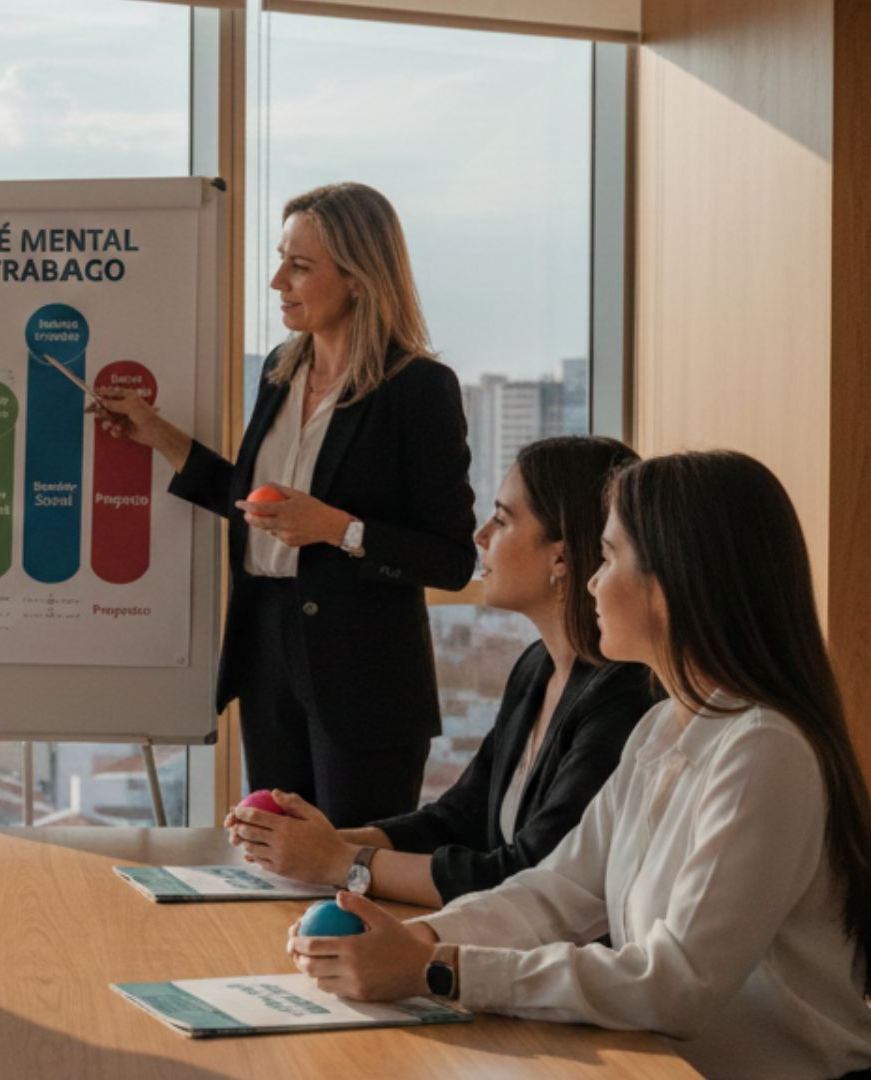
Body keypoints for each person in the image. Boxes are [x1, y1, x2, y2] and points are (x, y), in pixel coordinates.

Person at [284, 450, 871, 1080]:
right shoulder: (661, 728)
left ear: (671, 582)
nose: (592, 582)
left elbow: (676, 984)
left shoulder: (764, 751)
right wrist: (419, 940)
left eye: (610, 558)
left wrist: (440, 969)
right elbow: (556, 893)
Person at [99, 181, 476, 825]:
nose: (278, 282)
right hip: (266, 648)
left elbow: (452, 559)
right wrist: (156, 434)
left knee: (351, 864)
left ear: (358, 278)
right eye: (281, 260)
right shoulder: (280, 370)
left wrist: (338, 529)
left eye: (300, 266)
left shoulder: (418, 388)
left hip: (364, 673)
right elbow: (254, 505)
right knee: (274, 856)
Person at [230, 436, 658, 905]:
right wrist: (312, 841)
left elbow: (528, 875)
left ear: (561, 555)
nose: (481, 536)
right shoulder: (537, 667)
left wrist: (342, 863)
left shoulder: (623, 697)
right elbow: (457, 819)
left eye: (502, 520)